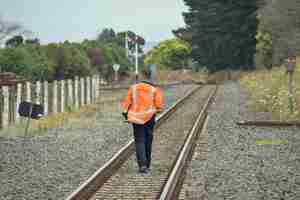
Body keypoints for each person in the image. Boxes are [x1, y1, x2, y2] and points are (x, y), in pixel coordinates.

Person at [122, 70, 164, 173]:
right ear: (150, 77)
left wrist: (125, 114)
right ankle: (148, 164)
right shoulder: (155, 90)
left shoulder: (133, 88)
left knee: (139, 140)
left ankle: (142, 165)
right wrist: (156, 109)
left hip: (136, 118)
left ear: (141, 77)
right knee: (148, 139)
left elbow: (126, 104)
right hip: (149, 117)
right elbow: (159, 106)